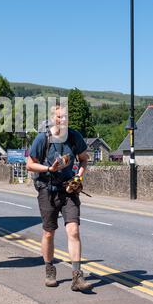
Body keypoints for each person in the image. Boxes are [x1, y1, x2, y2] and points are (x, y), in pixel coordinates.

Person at [26, 102, 93, 292]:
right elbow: (30, 165)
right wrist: (49, 168)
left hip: (68, 190)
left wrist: (78, 177)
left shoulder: (74, 137)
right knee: (49, 232)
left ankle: (77, 277)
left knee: (73, 230)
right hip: (47, 188)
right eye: (59, 117)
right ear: (51, 118)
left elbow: (84, 159)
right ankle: (49, 269)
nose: (63, 120)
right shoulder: (43, 138)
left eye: (65, 117)